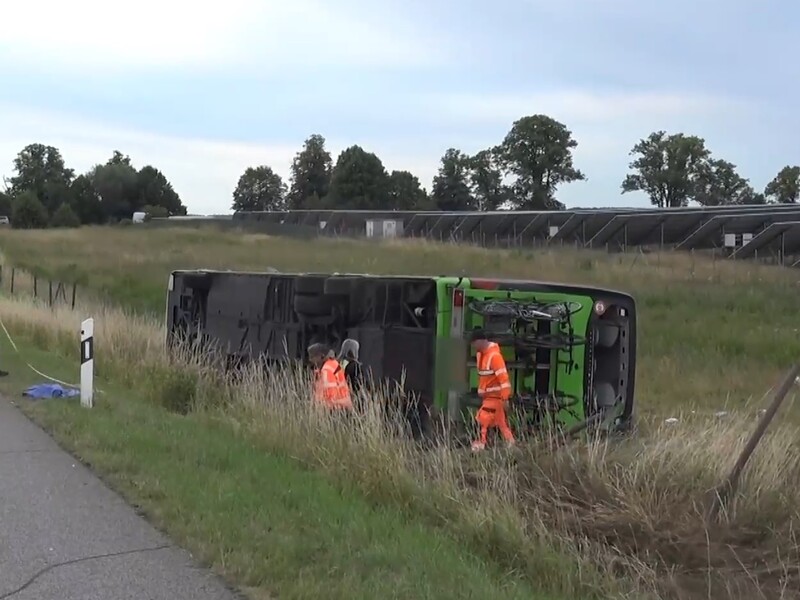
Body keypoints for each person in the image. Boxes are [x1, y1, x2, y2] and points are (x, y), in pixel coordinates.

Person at [469, 328, 515, 451]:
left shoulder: (494, 357)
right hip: (490, 397)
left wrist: (505, 398)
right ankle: (511, 445)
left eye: (473, 343)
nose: (472, 346)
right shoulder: (481, 355)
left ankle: (481, 445)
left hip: (495, 397)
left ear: (480, 341)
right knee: (501, 424)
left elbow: (504, 379)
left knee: (483, 418)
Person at [307, 342, 353, 411]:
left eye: (312, 357)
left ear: (321, 356)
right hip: (343, 407)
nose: (310, 360)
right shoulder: (333, 364)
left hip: (334, 410)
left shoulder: (326, 370)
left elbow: (330, 396)